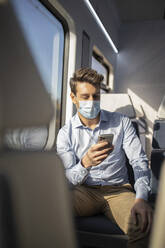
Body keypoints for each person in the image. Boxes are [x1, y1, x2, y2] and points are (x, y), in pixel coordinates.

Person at [56, 68, 153, 248]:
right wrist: (85, 163)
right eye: (85, 97)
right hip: (84, 191)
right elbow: (67, 181)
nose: (92, 102)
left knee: (144, 225)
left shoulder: (122, 122)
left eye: (96, 96)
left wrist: (141, 199)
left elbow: (139, 162)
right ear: (73, 97)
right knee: (47, 210)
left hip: (119, 191)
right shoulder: (65, 133)